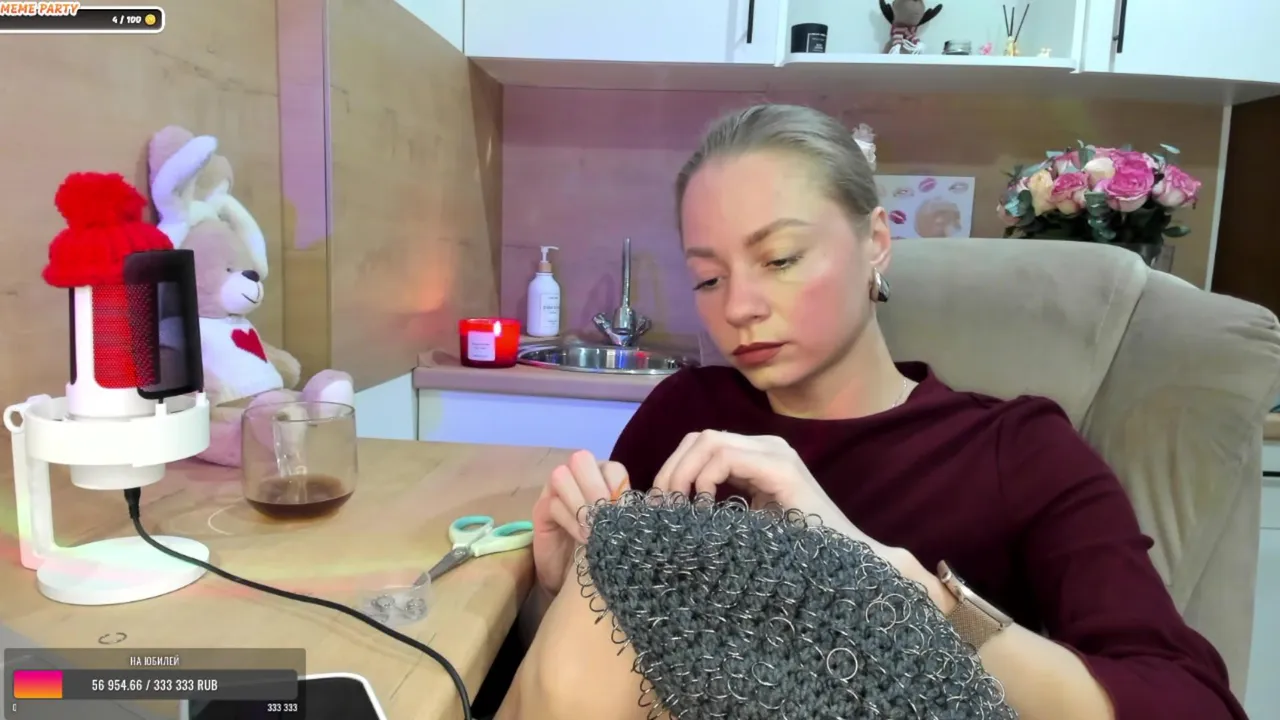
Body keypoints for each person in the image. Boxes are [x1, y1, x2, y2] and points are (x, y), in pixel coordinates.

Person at [495, 104, 1248, 720]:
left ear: (876, 243)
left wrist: (905, 592)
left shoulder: (1014, 448)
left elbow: (1191, 704)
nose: (740, 307)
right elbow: (573, 666)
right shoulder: (684, 413)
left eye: (780, 259)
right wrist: (555, 586)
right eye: (708, 279)